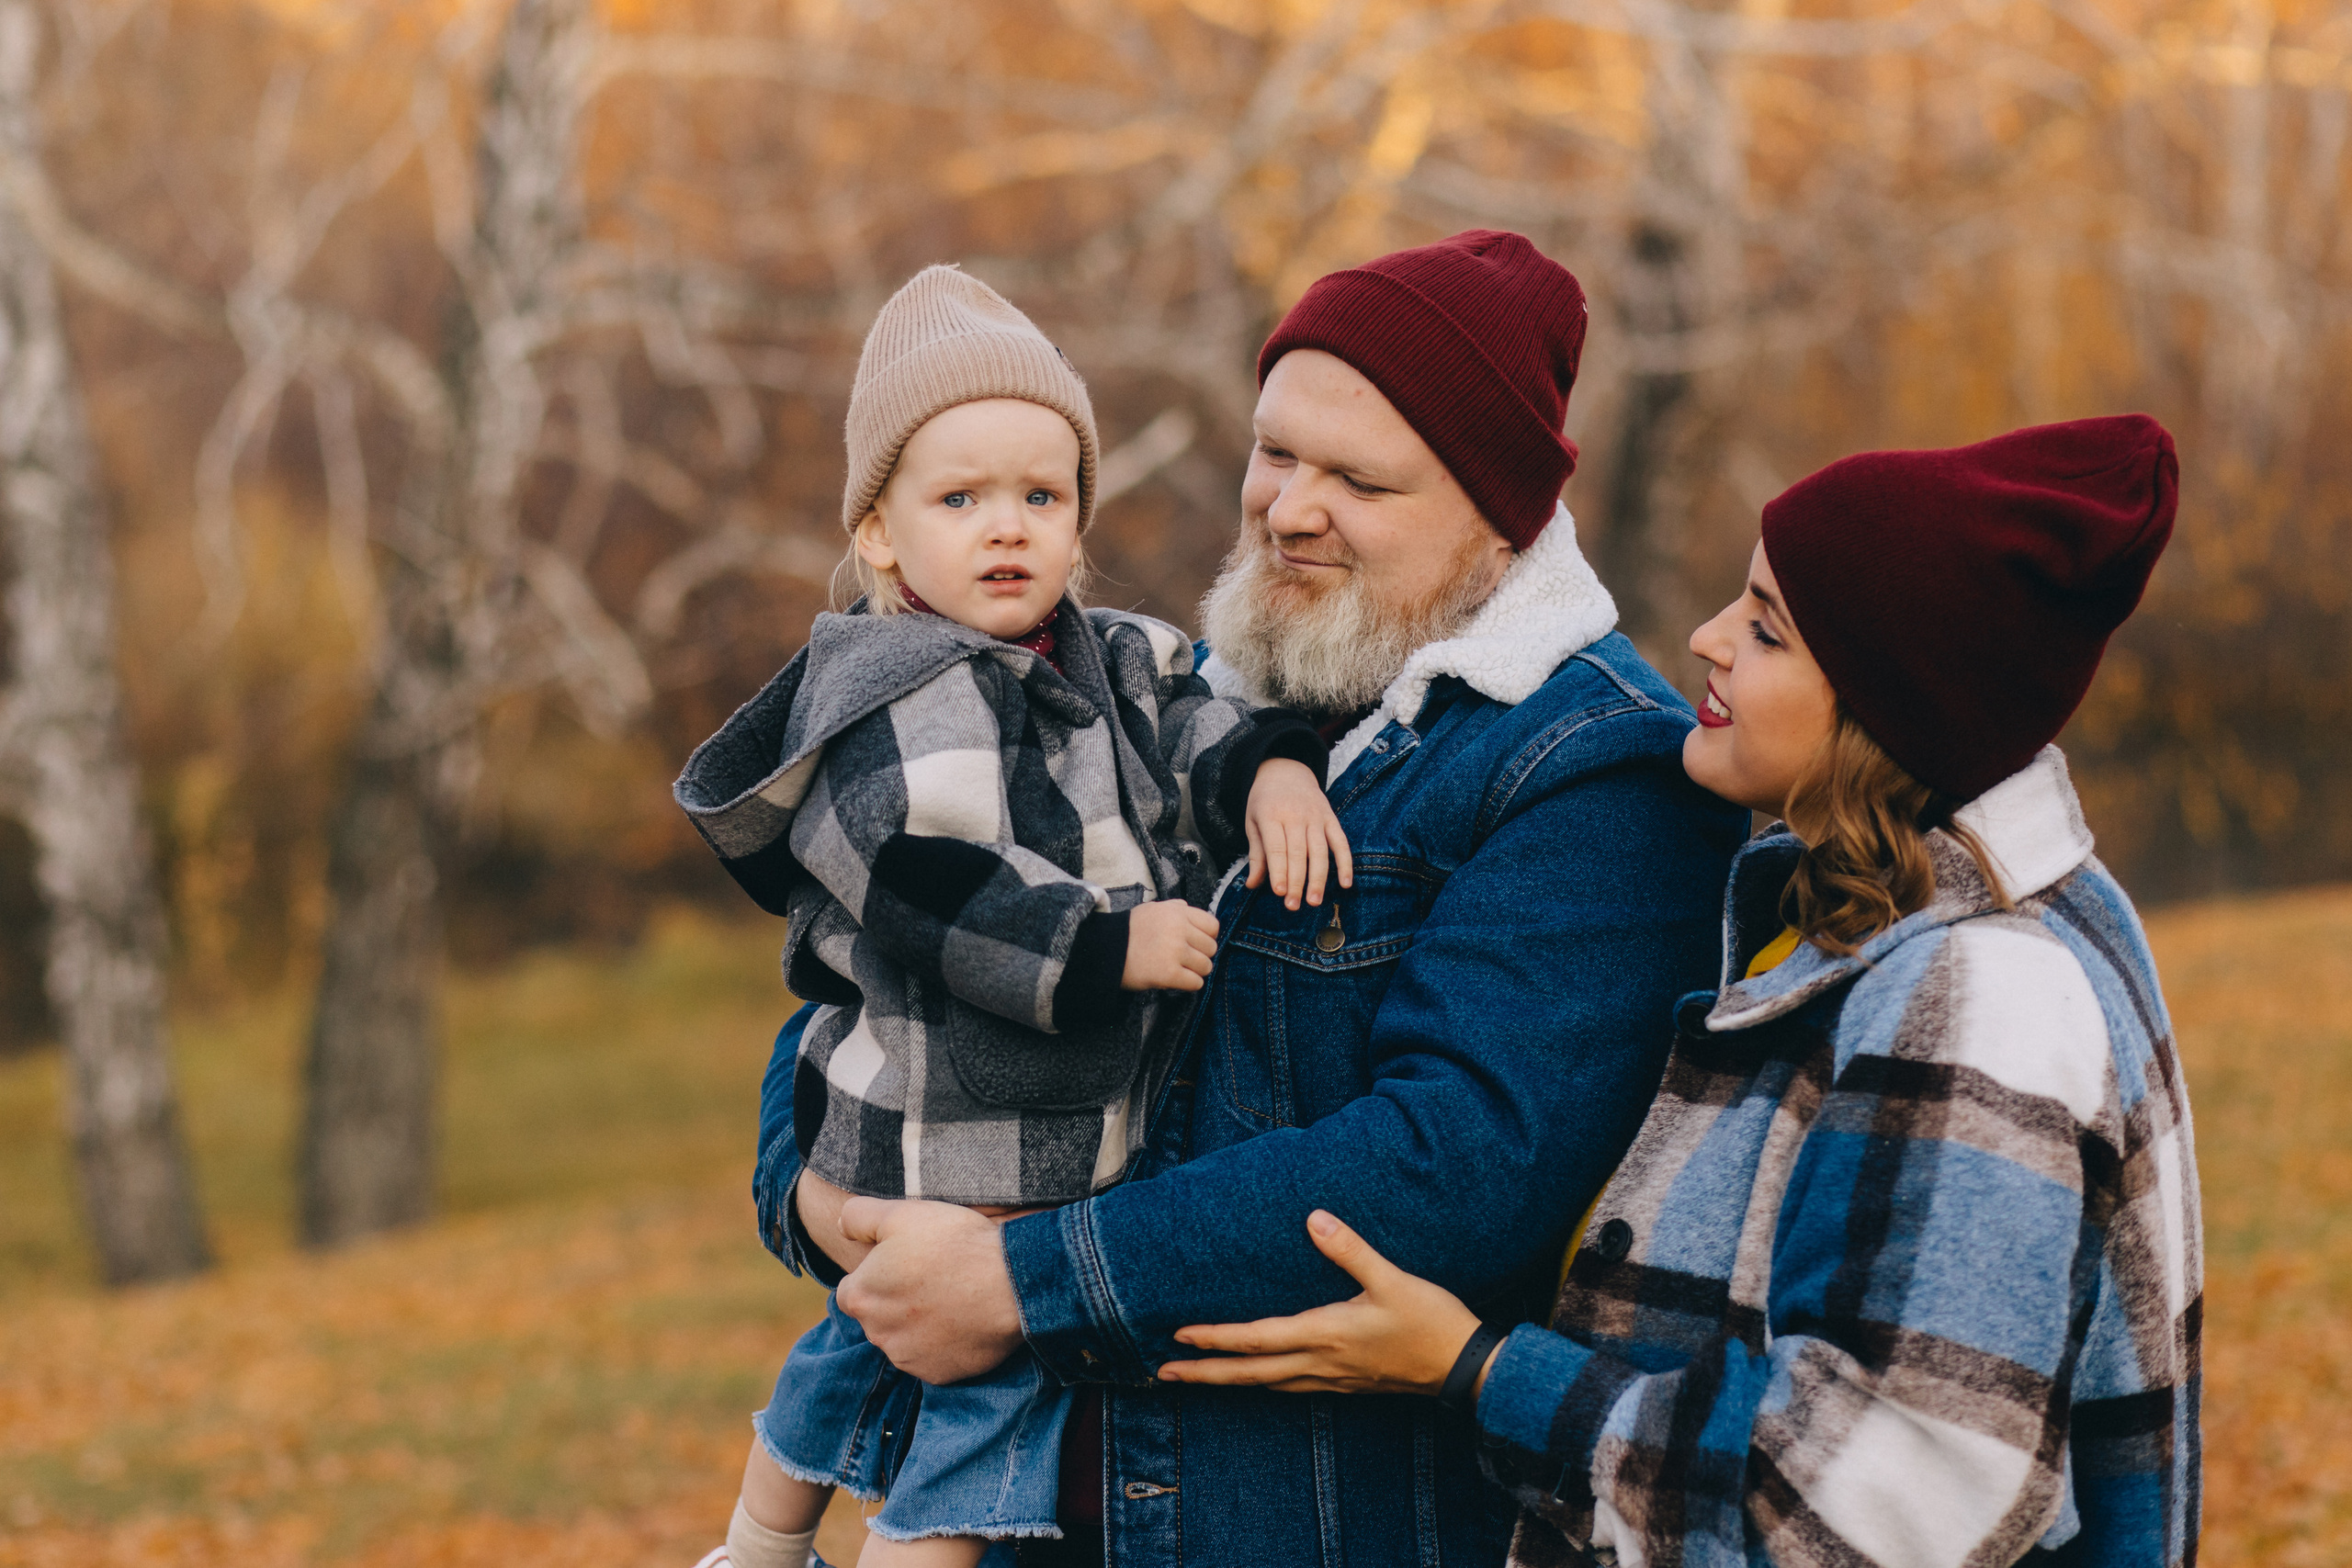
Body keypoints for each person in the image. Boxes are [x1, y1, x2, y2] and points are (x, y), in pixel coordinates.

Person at [764, 231, 1752, 1566]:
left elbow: (1451, 1164)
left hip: (1296, 1517)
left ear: (1499, 515)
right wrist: (821, 1197)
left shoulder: (1592, 768)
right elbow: (889, 950)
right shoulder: (1200, 694)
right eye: (1278, 451)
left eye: (1359, 478)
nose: (1289, 507)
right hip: (1044, 1496)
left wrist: (1018, 1280)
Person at [1157, 416, 2204, 1568]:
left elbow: (1877, 1507)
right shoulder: (1868, 914)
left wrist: (1480, 1369)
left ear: (1883, 706)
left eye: (1764, 630)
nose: (1706, 639)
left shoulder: (1978, 991)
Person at [673, 265, 1350, 1568]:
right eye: (962, 498)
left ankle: (759, 1541)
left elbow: (1193, 707)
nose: (1008, 529)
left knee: (860, 1338)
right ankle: (826, 1543)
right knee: (985, 1383)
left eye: (1043, 497)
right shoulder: (893, 696)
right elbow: (933, 888)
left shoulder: (1107, 650)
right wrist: (1111, 945)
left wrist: (1268, 764)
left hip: (1029, 1115)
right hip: (942, 1111)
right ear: (879, 534)